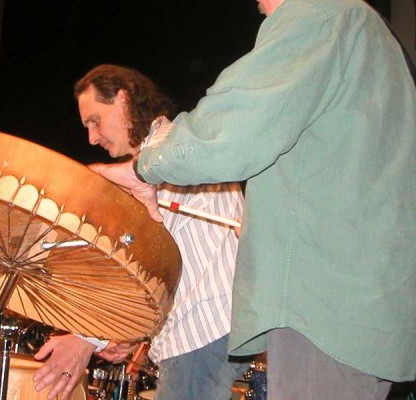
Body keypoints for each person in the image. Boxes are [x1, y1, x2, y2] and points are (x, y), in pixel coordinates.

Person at [84, 0, 416, 399]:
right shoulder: (366, 30)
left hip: (321, 306)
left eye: (93, 122)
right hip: (361, 307)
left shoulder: (318, 13)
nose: (260, 8)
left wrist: (144, 169)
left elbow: (231, 131)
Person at [33, 65, 247, 400]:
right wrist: (127, 335)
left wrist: (87, 339)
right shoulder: (166, 153)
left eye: (95, 121)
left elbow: (138, 264)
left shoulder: (165, 147)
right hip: (207, 327)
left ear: (122, 99)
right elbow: (165, 267)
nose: (92, 137)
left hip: (202, 328)